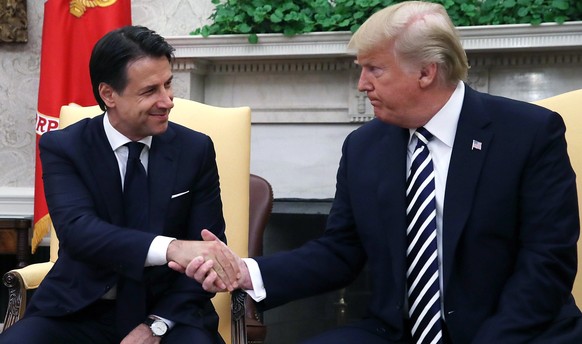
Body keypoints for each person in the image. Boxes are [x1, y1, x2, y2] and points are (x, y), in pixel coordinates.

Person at [180, 2, 582, 343]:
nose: (361, 85)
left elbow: (545, 263)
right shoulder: (365, 146)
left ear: (426, 72)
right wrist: (246, 272)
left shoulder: (528, 134)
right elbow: (339, 252)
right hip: (396, 332)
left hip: (515, 330)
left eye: (374, 69)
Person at [0, 25, 239, 344]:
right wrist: (171, 247)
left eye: (168, 85)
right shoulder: (65, 147)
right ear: (108, 94)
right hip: (80, 309)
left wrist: (155, 326)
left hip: (169, 314)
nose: (167, 101)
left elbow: (205, 253)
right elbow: (80, 231)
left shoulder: (195, 150)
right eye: (150, 90)